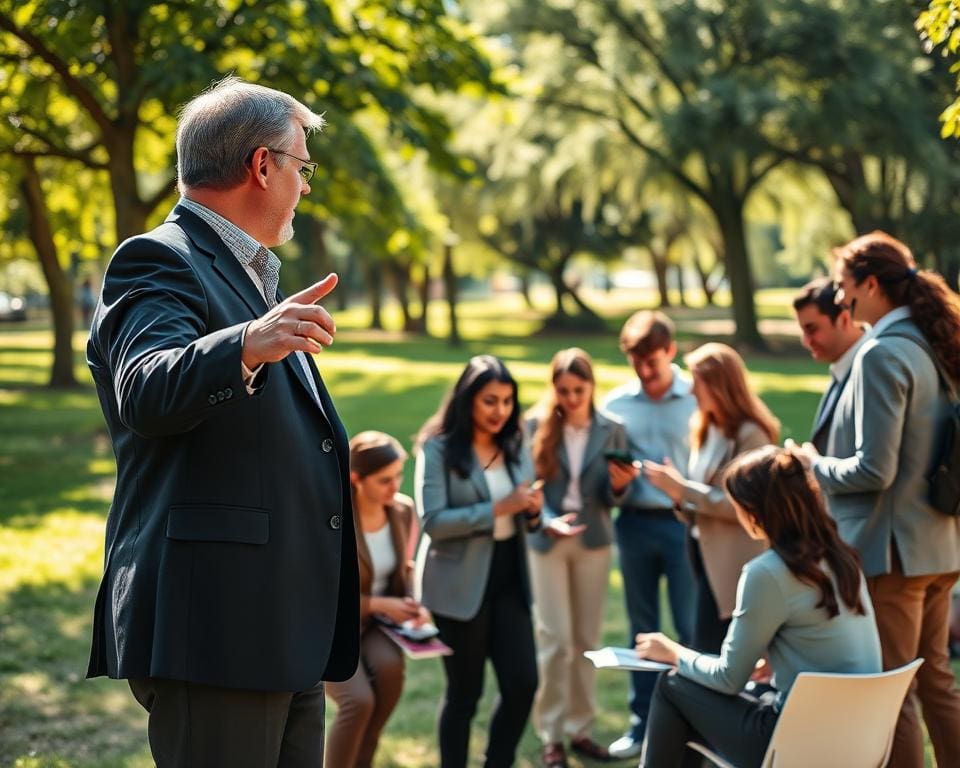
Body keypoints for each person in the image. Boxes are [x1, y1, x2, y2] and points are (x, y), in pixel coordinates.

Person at [85, 77, 359, 766]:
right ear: (262, 165)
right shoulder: (157, 259)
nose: (305, 186)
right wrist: (245, 344)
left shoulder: (250, 279)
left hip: (279, 629)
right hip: (215, 631)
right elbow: (144, 390)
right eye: (302, 167)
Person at [793, 231, 960, 768]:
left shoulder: (882, 353)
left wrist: (812, 465)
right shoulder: (936, 342)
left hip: (894, 555)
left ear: (871, 285)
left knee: (894, 693)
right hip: (938, 546)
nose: (842, 300)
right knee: (935, 681)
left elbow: (872, 470)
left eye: (845, 289)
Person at [635, 445, 882, 768]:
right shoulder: (840, 556)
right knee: (729, 692)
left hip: (796, 742)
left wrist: (673, 652)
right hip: (859, 738)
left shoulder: (767, 572)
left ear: (753, 512)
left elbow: (727, 678)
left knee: (673, 685)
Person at [413, 355, 543, 768]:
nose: (500, 411)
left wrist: (536, 512)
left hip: (509, 578)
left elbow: (527, 508)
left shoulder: (516, 444)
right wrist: (498, 508)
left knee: (523, 684)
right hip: (457, 585)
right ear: (468, 399)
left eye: (507, 401)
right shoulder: (437, 449)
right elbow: (433, 521)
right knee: (464, 696)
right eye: (490, 401)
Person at [526, 348, 633, 767]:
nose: (571, 398)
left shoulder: (613, 429)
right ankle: (552, 733)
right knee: (555, 640)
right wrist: (550, 520)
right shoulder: (536, 425)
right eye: (563, 390)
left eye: (579, 390)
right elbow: (530, 486)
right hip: (548, 540)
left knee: (586, 641)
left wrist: (621, 487)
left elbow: (612, 497)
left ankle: (580, 729)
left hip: (593, 540)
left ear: (592, 387)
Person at [601, 310, 696, 760]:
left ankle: (697, 720)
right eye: (636, 363)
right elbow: (604, 481)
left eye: (652, 362)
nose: (644, 372)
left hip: (684, 524)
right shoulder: (617, 405)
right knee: (642, 629)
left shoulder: (698, 397)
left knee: (688, 623)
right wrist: (617, 482)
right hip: (635, 523)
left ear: (670, 352)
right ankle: (642, 723)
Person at [643, 343, 778, 653]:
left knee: (716, 651)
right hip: (702, 557)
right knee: (706, 647)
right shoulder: (706, 429)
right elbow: (699, 500)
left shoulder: (751, 434)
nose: (690, 391)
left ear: (719, 385)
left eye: (697, 382)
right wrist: (677, 496)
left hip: (735, 565)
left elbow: (745, 505)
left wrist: (683, 490)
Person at [326, 431, 428, 768]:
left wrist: (415, 602)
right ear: (356, 479)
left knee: (389, 674)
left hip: (377, 629)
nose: (395, 486)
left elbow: (404, 569)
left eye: (399, 475)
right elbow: (325, 592)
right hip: (332, 629)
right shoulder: (336, 520)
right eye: (385, 480)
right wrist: (381, 605)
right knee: (358, 702)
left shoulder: (402, 511)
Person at [792, 277, 867, 453]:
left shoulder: (871, 369)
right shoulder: (841, 368)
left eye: (811, 329)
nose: (806, 341)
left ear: (844, 319)